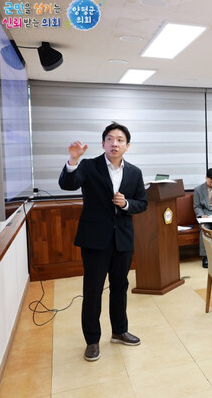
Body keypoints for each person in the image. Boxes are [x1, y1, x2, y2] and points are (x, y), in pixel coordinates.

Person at [58, 122, 148, 362]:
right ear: (103, 143)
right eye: (110, 139)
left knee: (120, 287)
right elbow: (68, 184)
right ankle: (92, 340)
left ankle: (119, 331)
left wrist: (126, 204)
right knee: (93, 291)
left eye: (120, 140)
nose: (114, 143)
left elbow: (142, 203)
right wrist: (73, 160)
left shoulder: (134, 172)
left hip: (123, 240)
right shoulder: (89, 166)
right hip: (95, 240)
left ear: (127, 146)